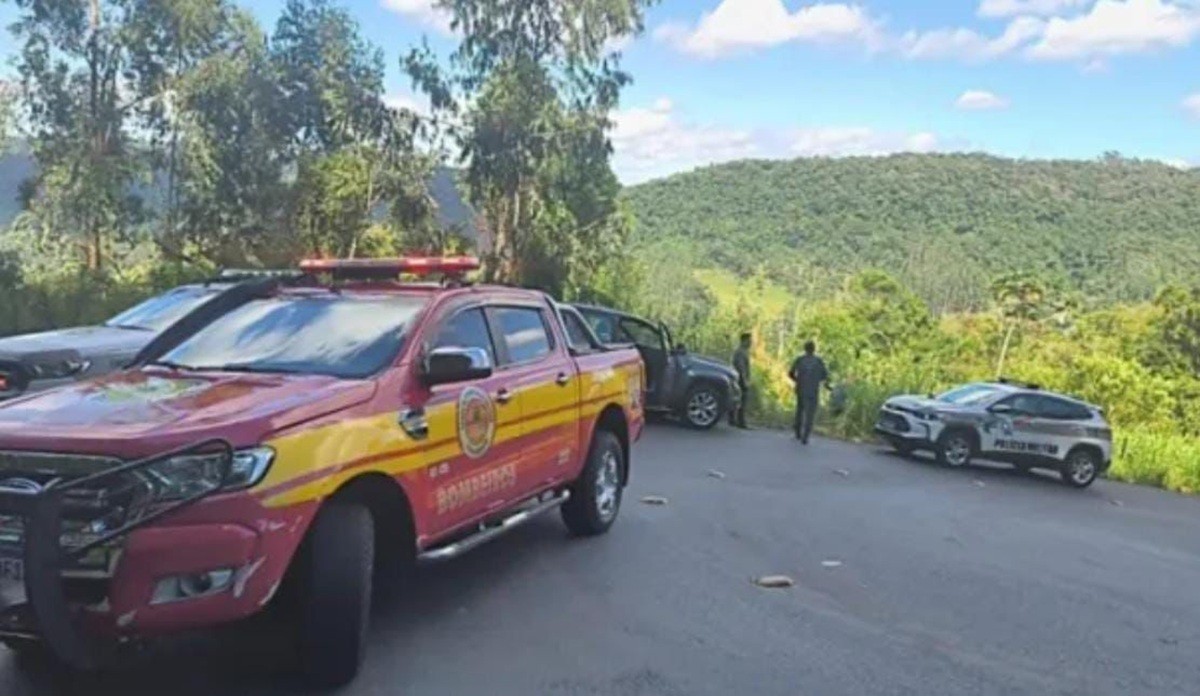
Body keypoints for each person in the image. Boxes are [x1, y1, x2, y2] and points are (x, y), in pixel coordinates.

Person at [789, 340, 829, 444]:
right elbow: (825, 375)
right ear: (814, 349)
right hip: (813, 390)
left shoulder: (800, 360)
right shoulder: (818, 361)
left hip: (801, 388)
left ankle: (797, 432)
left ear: (805, 349)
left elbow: (791, 373)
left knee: (800, 410)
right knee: (810, 414)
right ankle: (805, 436)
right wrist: (817, 380)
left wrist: (797, 380)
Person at [730, 332, 752, 428]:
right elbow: (741, 367)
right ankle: (741, 422)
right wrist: (745, 380)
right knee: (742, 401)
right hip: (740, 380)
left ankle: (733, 419)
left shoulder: (743, 352)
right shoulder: (740, 352)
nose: (751, 343)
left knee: (738, 400)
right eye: (749, 341)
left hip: (740, 379)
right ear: (744, 341)